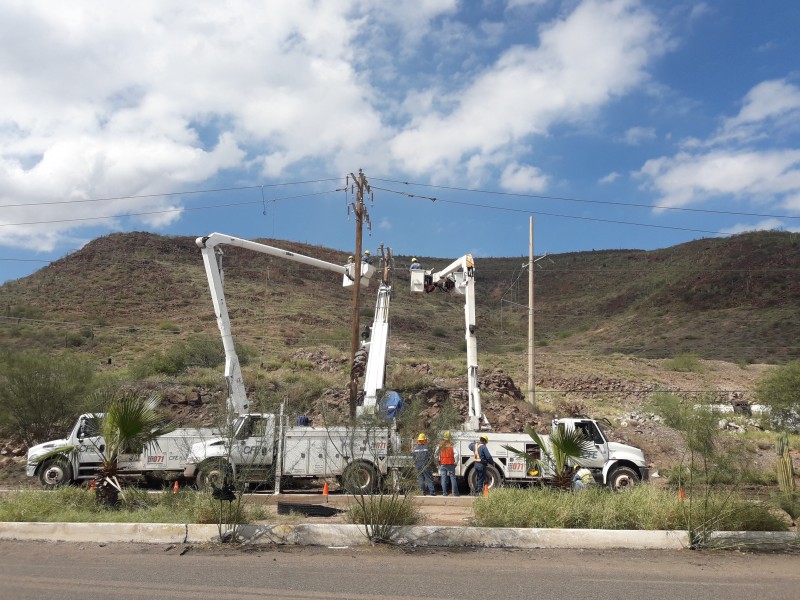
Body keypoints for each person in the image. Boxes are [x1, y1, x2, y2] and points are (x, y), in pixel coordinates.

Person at [436, 431, 459, 497]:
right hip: (451, 463)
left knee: (443, 478)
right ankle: (456, 493)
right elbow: (456, 454)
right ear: (449, 438)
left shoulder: (440, 444)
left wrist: (438, 461)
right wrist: (456, 462)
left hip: (442, 463)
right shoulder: (452, 444)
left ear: (444, 437)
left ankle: (444, 493)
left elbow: (435, 454)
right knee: (453, 478)